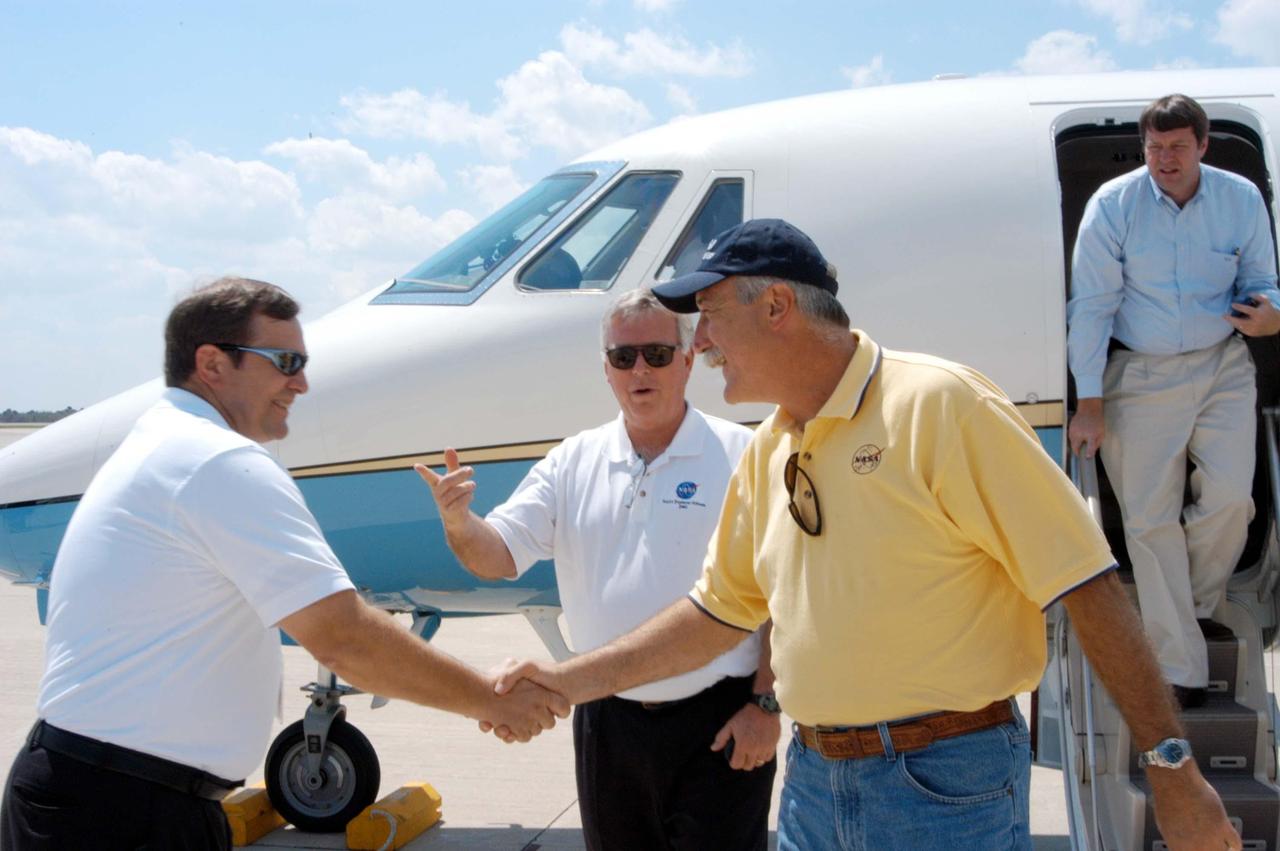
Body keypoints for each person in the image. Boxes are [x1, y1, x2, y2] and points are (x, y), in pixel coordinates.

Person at [492, 219, 1241, 851]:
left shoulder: (942, 405)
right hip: (814, 783)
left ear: (778, 304)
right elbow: (715, 615)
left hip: (945, 783)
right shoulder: (770, 448)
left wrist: (1172, 764)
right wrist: (566, 682)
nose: (704, 342)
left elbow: (1085, 582)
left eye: (712, 315)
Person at [0, 278, 567, 851]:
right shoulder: (218, 461)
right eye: (285, 361)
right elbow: (344, 638)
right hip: (120, 811)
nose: (301, 382)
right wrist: (490, 700)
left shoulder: (167, 443)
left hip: (108, 794)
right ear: (212, 363)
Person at [415, 288, 778, 850]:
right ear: (605, 370)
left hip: (722, 721)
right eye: (622, 356)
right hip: (608, 723)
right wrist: (460, 523)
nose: (639, 369)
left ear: (686, 361)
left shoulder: (742, 455)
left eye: (656, 354)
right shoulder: (573, 460)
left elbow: (781, 596)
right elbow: (497, 555)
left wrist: (766, 706)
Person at [1067, 94, 1280, 708]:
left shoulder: (1240, 198)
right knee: (1150, 520)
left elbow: (1262, 279)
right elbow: (1092, 307)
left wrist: (1271, 315)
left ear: (1203, 145)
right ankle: (1180, 668)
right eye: (1154, 147)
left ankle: (1193, 610)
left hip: (1224, 366)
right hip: (1140, 369)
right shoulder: (1114, 205)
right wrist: (1091, 401)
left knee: (1231, 501)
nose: (1164, 159)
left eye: (1178, 147)